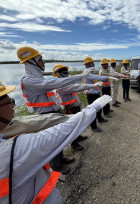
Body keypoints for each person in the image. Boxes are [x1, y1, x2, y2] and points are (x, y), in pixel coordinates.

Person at [0, 81, 112, 203]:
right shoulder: (11, 150)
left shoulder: (6, 137)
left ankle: (60, 161)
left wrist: (72, 117)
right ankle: (57, 165)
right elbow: (59, 133)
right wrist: (91, 108)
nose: (13, 106)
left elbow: (32, 122)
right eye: (10, 102)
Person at [18, 46, 92, 174]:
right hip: (45, 114)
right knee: (51, 142)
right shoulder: (29, 80)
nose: (44, 62)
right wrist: (80, 75)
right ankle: (56, 167)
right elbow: (56, 84)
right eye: (40, 59)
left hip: (54, 112)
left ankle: (61, 159)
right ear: (31, 62)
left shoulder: (37, 77)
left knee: (58, 138)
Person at [53, 64, 103, 150]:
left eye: (67, 71)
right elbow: (78, 87)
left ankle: (78, 137)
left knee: (77, 124)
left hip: (75, 106)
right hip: (69, 108)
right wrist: (93, 85)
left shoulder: (67, 82)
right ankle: (74, 144)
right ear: (57, 74)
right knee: (72, 126)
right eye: (64, 72)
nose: (66, 73)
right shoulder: (61, 85)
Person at [83, 57, 109, 131]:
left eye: (93, 63)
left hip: (96, 93)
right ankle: (93, 126)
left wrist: (99, 84)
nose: (93, 64)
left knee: (99, 107)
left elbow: (95, 80)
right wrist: (105, 78)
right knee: (92, 111)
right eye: (91, 63)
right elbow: (96, 77)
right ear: (87, 65)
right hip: (91, 94)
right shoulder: (87, 73)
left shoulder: (91, 72)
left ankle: (100, 118)